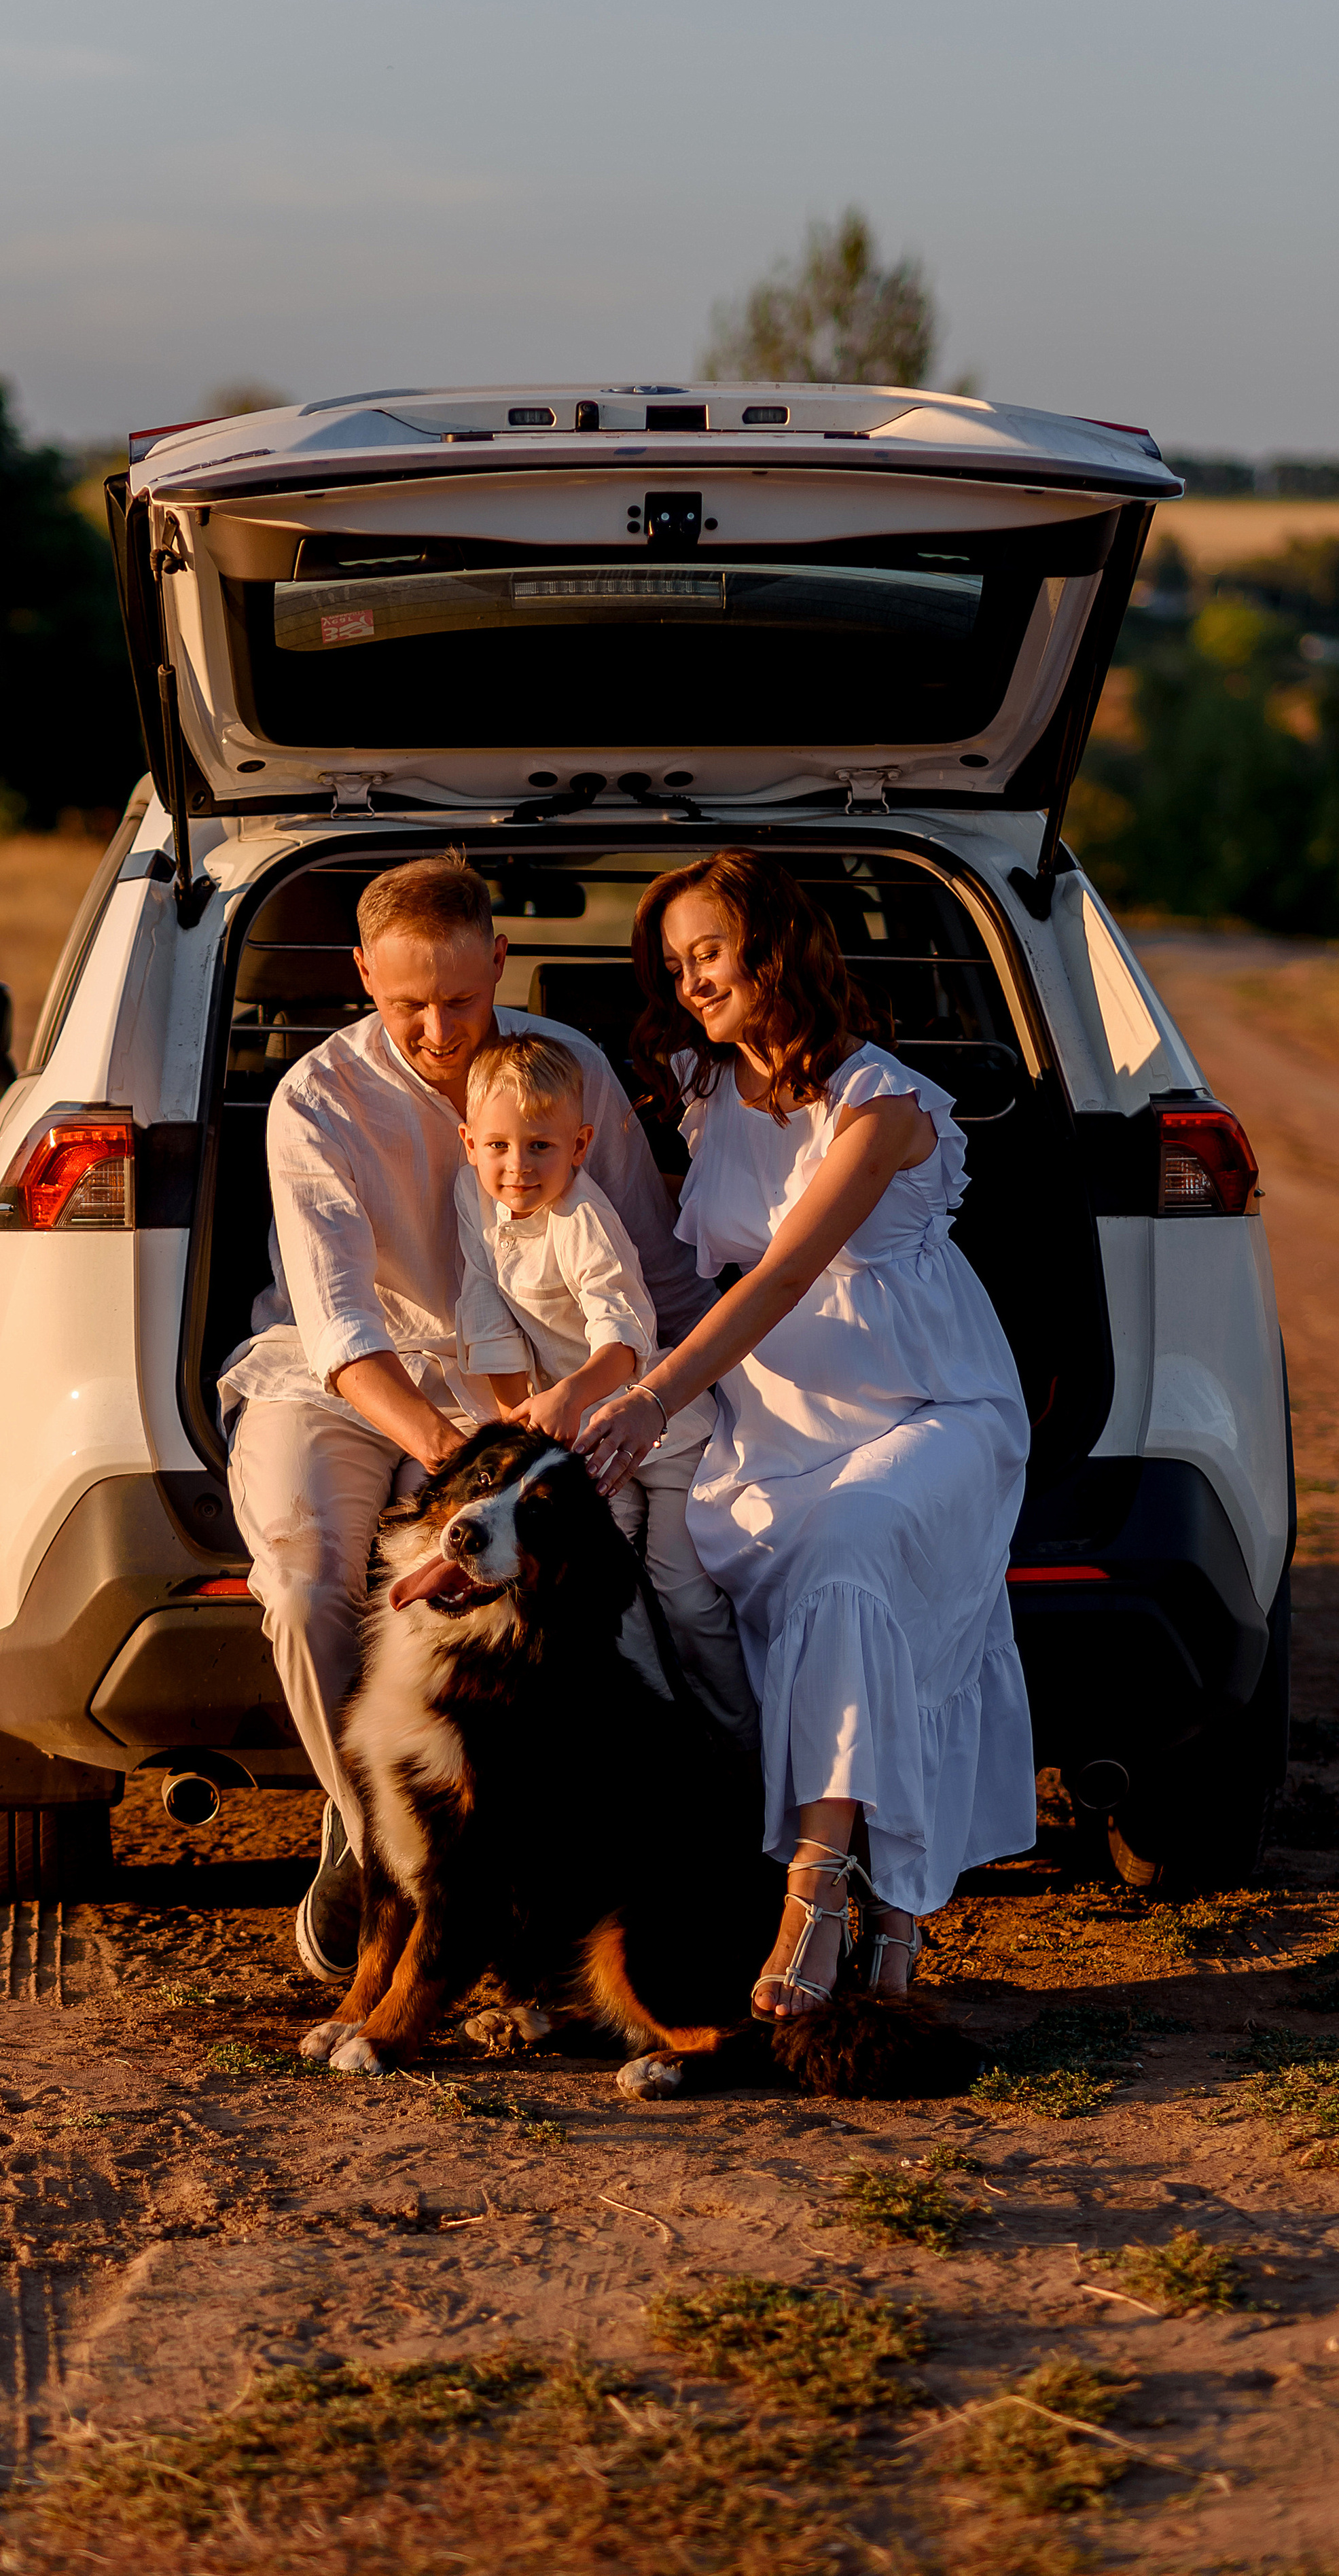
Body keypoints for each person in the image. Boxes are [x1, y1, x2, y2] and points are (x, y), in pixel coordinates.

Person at [219, 853, 738, 1984]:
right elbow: (340, 1326)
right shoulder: (317, 1098)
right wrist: (461, 1461)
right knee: (310, 1576)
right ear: (361, 973)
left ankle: (639, 1850)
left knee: (651, 1590)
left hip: (535, 1388)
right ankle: (377, 1849)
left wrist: (692, 1403)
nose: (438, 1028)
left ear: (500, 961)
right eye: (406, 1003)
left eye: (461, 998)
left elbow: (650, 1267)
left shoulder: (573, 1072)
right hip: (345, 1383)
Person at [577, 850, 1035, 2005]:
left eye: (710, 952)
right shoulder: (692, 1080)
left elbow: (781, 1277)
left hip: (930, 1410)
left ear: (775, 944)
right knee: (809, 1578)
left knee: (849, 1552)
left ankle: (815, 1893)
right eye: (672, 964)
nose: (689, 982)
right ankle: (893, 1915)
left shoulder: (883, 1105)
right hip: (772, 1425)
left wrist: (651, 1397)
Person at [453, 1031, 757, 1746]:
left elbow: (624, 1337)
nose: (517, 1167)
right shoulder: (471, 1197)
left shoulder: (581, 1220)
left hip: (663, 1440)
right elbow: (483, 1300)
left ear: (580, 1144)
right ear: (469, 1143)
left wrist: (568, 1394)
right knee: (604, 1599)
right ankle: (655, 1745)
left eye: (540, 1147)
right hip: (585, 1455)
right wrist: (512, 1417)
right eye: (498, 1146)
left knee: (684, 1600)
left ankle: (747, 1747)